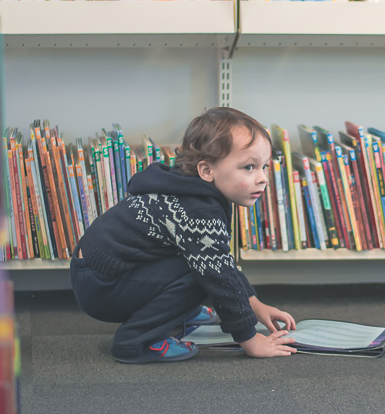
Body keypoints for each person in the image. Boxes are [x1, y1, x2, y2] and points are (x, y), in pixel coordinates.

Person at [70, 107, 297, 363]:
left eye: (263, 167)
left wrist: (254, 304)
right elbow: (218, 274)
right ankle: (136, 341)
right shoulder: (199, 210)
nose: (262, 179)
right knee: (203, 272)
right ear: (207, 171)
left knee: (206, 262)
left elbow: (222, 261)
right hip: (102, 288)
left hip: (97, 273)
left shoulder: (185, 186)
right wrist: (251, 340)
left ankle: (177, 310)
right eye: (249, 167)